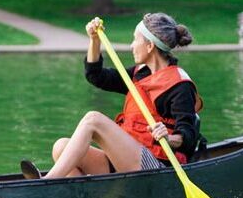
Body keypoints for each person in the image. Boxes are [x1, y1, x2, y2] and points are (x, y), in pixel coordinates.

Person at [22, 13, 202, 179]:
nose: (131, 46)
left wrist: (169, 138)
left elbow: (189, 137)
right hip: (127, 160)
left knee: (93, 119)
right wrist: (94, 40)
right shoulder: (140, 74)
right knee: (61, 147)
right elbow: (96, 76)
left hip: (156, 168)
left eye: (135, 39)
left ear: (150, 46)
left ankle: (47, 181)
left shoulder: (180, 85)